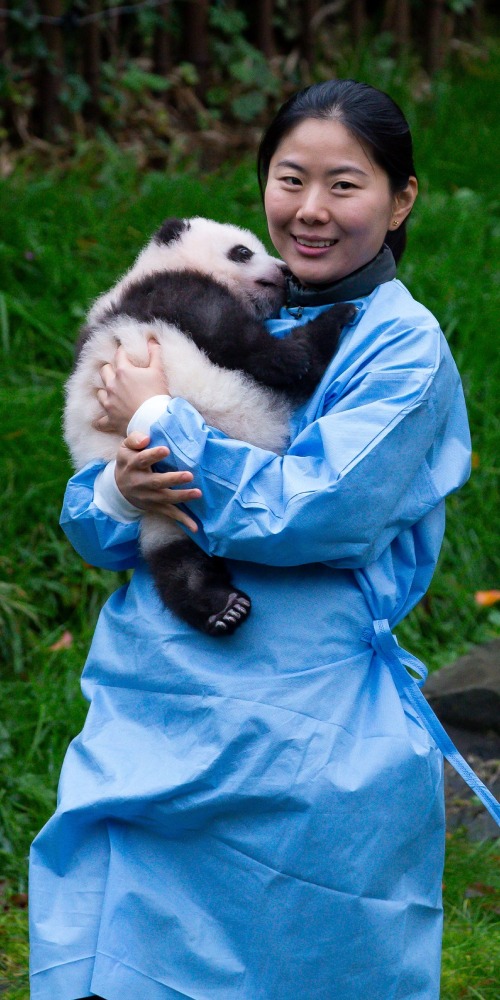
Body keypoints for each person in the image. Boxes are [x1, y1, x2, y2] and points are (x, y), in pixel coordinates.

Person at [29, 79, 499, 1000]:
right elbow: (94, 522)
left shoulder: (404, 348)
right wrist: (124, 489)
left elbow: (321, 511)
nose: (310, 211)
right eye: (290, 179)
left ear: (401, 199)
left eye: (344, 185)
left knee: (292, 956)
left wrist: (165, 417)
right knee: (110, 948)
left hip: (299, 720)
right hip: (149, 696)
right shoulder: (228, 295)